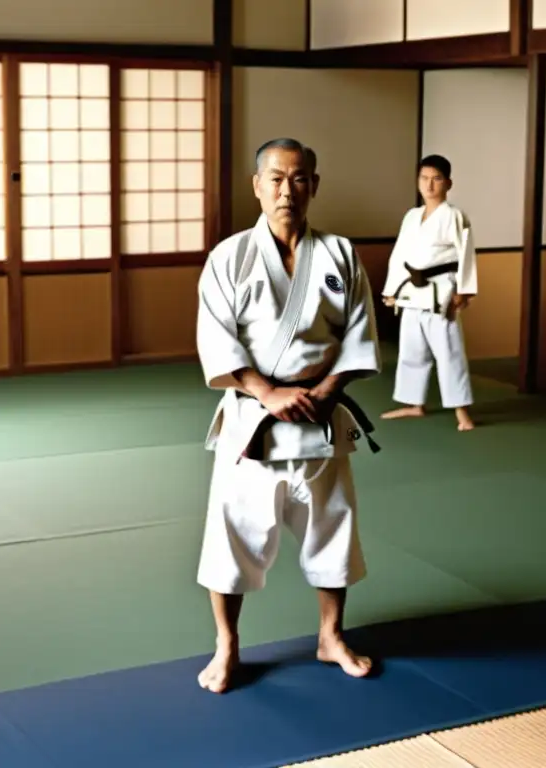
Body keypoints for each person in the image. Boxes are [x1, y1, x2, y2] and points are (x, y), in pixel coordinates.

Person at [194, 137, 382, 694]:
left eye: (299, 179)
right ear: (257, 185)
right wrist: (265, 392)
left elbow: (361, 332)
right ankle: (227, 646)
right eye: (275, 178)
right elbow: (215, 338)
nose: (286, 190)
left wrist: (327, 387)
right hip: (255, 422)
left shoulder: (341, 254)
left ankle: (331, 636)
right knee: (231, 536)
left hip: (321, 420)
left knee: (334, 531)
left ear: (314, 186)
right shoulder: (229, 257)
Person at [380, 155, 478, 431]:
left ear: (448, 183)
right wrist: (393, 290)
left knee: (449, 351)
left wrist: (464, 290)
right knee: (412, 349)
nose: (429, 184)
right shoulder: (411, 216)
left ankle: (462, 413)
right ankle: (414, 404)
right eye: (424, 178)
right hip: (412, 291)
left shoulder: (454, 215)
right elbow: (400, 254)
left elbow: (466, 253)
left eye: (436, 178)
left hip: (442, 290)